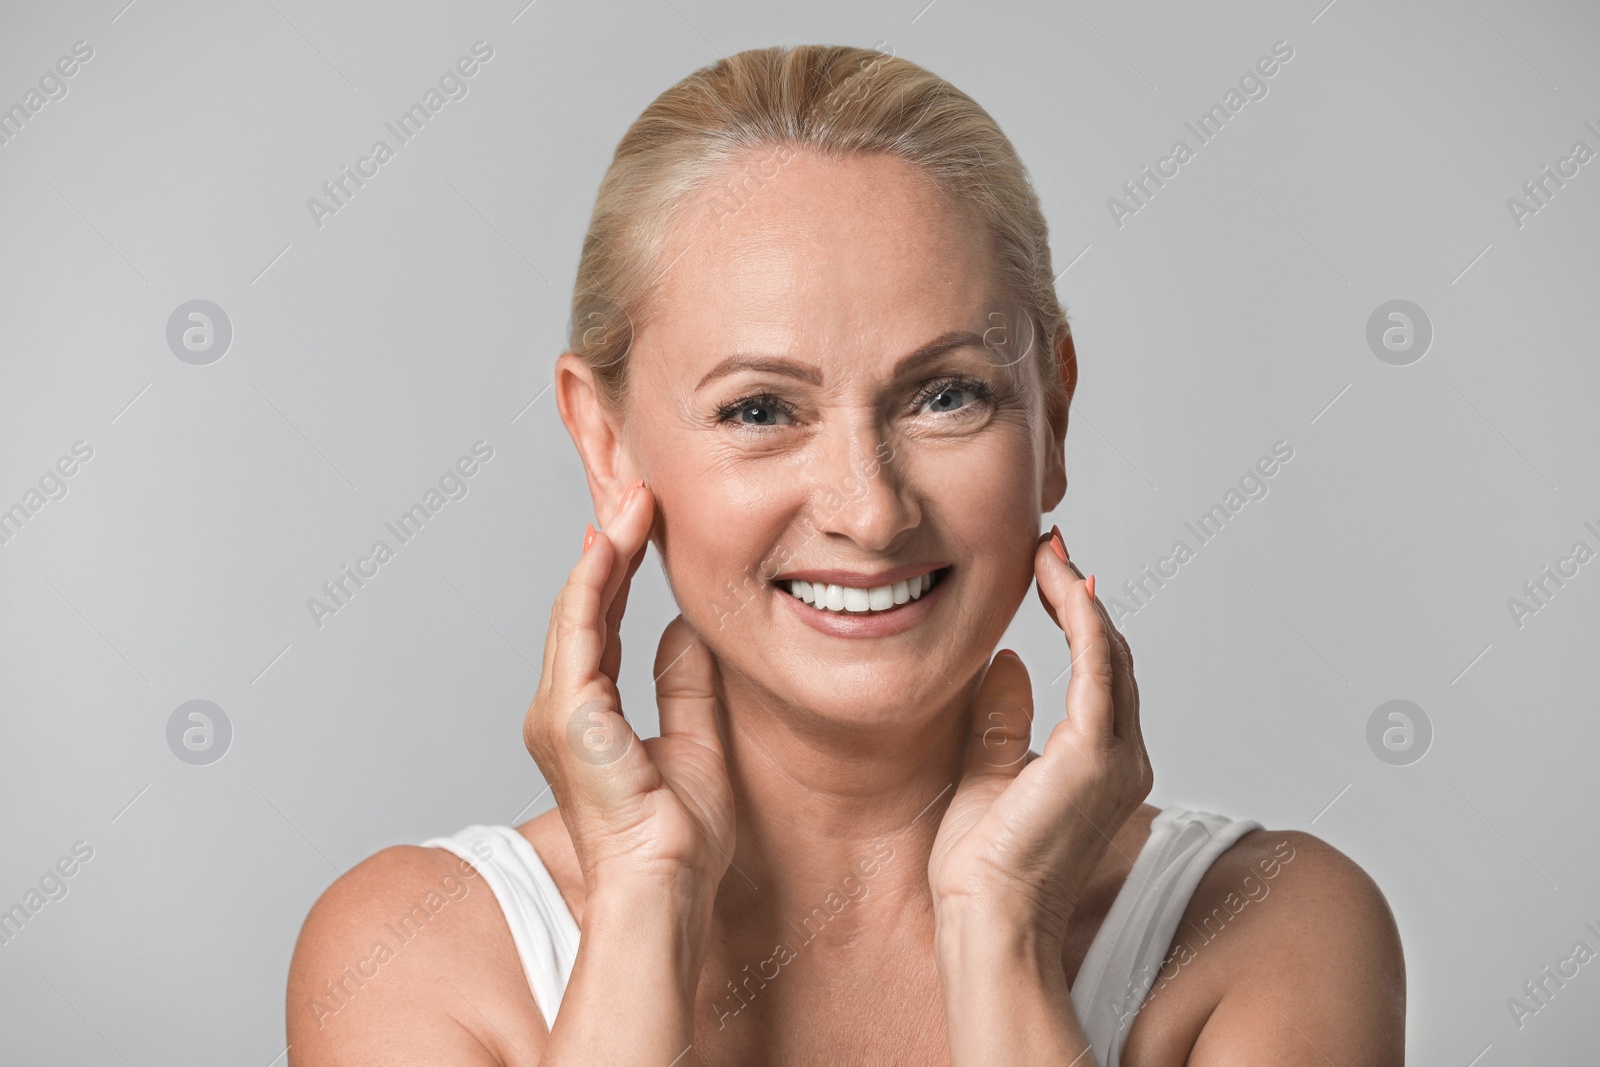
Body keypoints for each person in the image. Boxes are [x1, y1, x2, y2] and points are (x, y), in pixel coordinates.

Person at [285, 44, 1405, 1065]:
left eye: (946, 394)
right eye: (760, 408)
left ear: (1051, 417)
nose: (868, 513)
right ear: (605, 438)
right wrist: (643, 906)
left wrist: (999, 930)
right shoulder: (411, 954)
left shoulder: (1269, 932)